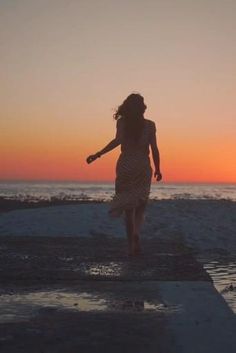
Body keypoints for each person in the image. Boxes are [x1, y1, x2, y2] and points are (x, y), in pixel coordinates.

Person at [86, 93, 162, 256]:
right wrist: (158, 169)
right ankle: (136, 233)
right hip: (142, 165)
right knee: (141, 204)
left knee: (128, 207)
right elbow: (154, 148)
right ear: (143, 108)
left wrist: (98, 154)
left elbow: (117, 141)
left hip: (126, 164)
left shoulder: (122, 123)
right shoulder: (150, 125)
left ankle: (130, 247)